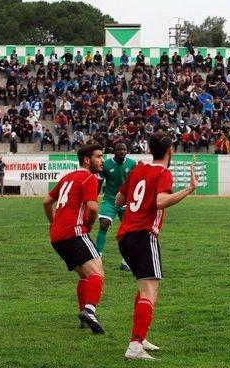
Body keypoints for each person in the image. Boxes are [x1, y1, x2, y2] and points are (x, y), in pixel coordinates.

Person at [116, 132, 198, 360]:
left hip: (125, 237)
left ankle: (139, 338)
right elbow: (161, 201)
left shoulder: (137, 170)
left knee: (147, 287)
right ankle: (134, 346)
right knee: (149, 291)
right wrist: (189, 189)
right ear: (169, 151)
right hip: (144, 236)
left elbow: (118, 201)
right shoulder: (163, 172)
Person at [42, 144, 106, 334]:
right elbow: (93, 208)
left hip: (57, 237)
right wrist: (90, 223)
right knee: (98, 273)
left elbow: (46, 202)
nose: (101, 160)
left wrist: (53, 222)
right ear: (87, 160)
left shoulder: (67, 178)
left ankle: (84, 318)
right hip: (75, 232)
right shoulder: (89, 178)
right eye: (98, 156)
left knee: (85, 275)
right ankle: (89, 311)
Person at [95, 143, 137, 271]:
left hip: (126, 201)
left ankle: (126, 261)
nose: (121, 151)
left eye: (124, 149)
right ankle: (97, 257)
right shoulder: (106, 164)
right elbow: (99, 182)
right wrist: (93, 198)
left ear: (126, 151)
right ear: (114, 151)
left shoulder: (132, 163)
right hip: (110, 200)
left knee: (128, 231)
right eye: (119, 149)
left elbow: (135, 181)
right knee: (104, 224)